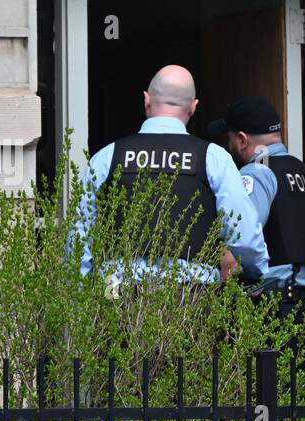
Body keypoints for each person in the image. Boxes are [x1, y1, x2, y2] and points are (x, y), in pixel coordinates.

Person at [76, 65, 268, 285]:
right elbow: (243, 235)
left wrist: (82, 294)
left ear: (146, 100)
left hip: (118, 295)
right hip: (190, 301)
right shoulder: (214, 159)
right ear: (194, 107)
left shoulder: (107, 157)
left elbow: (79, 237)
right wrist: (259, 273)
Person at [209, 96, 305, 357]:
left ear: (243, 140)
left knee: (266, 396)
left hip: (278, 311)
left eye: (230, 139)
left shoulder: (257, 173)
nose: (230, 146)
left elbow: (237, 246)